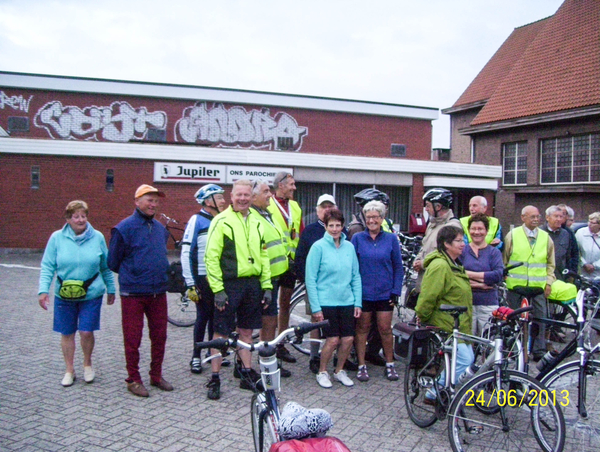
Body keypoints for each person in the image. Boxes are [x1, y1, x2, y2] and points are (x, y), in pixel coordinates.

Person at [204, 179, 272, 400]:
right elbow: (211, 257)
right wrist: (218, 289)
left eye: (246, 195)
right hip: (228, 285)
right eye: (238, 195)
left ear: (252, 198)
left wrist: (267, 285)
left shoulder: (257, 221)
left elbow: (263, 255)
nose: (243, 199)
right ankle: (214, 378)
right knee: (221, 332)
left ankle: (245, 373)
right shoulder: (221, 221)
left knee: (246, 331)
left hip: (252, 284)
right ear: (231, 196)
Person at [38, 200, 116, 387]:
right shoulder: (56, 238)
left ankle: (87, 364)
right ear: (68, 219)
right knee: (67, 332)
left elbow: (105, 266)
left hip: (92, 294)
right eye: (76, 216)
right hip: (64, 295)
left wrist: (111, 288)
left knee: (86, 331)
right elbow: (48, 266)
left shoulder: (97, 237)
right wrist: (43, 290)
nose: (80, 220)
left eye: (83, 216)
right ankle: (69, 369)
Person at [108, 184, 173, 397]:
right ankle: (133, 379)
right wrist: (134, 273)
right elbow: (113, 262)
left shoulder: (160, 229)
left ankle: (156, 375)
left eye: (156, 201)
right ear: (137, 202)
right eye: (149, 200)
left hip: (158, 292)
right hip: (133, 294)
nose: (153, 204)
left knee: (159, 336)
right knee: (133, 338)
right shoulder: (123, 228)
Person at [415, 225, 474, 400]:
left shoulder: (454, 263)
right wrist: (423, 317)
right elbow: (428, 295)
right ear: (446, 244)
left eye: (463, 240)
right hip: (445, 323)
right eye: (458, 240)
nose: (463, 244)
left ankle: (443, 389)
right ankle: (434, 392)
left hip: (459, 323)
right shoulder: (441, 265)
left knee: (466, 359)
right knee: (465, 360)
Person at [306, 209, 362, 388]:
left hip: (346, 301)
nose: (335, 229)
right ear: (326, 226)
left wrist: (357, 302)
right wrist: (316, 308)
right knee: (333, 339)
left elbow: (356, 276)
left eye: (338, 225)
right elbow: (311, 279)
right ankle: (322, 371)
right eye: (331, 225)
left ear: (343, 226)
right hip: (326, 301)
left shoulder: (349, 247)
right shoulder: (318, 247)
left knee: (348, 339)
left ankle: (339, 371)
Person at [351, 200, 404, 382]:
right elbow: (352, 267)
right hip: (363, 293)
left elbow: (398, 267)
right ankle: (361, 365)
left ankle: (390, 365)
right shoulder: (357, 238)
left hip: (384, 293)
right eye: (368, 217)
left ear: (382, 219)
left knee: (385, 329)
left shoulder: (391, 239)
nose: (372, 220)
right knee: (362, 329)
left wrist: (396, 291)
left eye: (375, 217)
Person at [295, 194, 348, 374]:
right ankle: (314, 356)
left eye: (330, 206)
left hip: (338, 287)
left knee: (337, 323)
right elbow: (300, 257)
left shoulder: (342, 231)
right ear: (317, 210)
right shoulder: (309, 231)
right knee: (316, 321)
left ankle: (335, 356)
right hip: (316, 286)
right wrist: (306, 281)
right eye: (323, 207)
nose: (326, 210)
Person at [180, 184, 227, 374]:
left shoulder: (223, 219)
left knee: (218, 318)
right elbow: (185, 251)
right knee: (203, 317)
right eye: (220, 197)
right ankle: (196, 356)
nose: (224, 200)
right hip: (202, 278)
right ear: (209, 201)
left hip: (219, 278)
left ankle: (213, 353)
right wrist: (190, 284)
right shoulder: (196, 220)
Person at [503, 205, 556, 361]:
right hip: (516, 286)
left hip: (537, 286)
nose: (535, 219)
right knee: (513, 318)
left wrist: (549, 282)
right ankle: (514, 347)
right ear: (523, 217)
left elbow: (550, 263)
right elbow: (505, 259)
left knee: (541, 318)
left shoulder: (546, 237)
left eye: (537, 216)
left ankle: (538, 349)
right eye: (532, 216)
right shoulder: (512, 235)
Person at [250, 180, 291, 377]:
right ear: (253, 196)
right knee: (257, 322)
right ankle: (257, 364)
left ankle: (267, 360)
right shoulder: (251, 216)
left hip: (273, 277)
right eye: (266, 191)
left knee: (270, 321)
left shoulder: (267, 213)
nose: (270, 195)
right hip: (261, 280)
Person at [267, 171, 303, 364]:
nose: (294, 188)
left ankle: (281, 344)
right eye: (291, 184)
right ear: (281, 185)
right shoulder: (268, 205)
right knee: (271, 307)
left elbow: (300, 234)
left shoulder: (295, 206)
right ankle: (269, 345)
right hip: (273, 264)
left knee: (286, 305)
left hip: (290, 263)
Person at [460, 213, 504, 336]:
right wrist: (481, 284)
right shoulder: (462, 251)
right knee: (467, 342)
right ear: (468, 231)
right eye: (473, 229)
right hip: (466, 304)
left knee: (487, 343)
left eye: (480, 229)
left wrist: (468, 274)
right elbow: (456, 276)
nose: (476, 232)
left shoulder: (494, 253)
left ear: (486, 231)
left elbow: (497, 275)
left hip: (488, 304)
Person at [413, 188, 461, 275]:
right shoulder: (432, 224)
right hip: (425, 277)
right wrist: (418, 260)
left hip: (438, 277)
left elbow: (448, 255)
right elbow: (424, 247)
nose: (426, 209)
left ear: (438, 207)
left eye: (428, 205)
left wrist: (423, 263)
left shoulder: (452, 226)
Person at [540, 205, 578, 280]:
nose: (559, 219)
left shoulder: (565, 234)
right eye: (556, 216)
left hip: (560, 276)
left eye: (561, 217)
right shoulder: (539, 232)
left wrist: (570, 275)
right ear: (547, 217)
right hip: (542, 276)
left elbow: (569, 256)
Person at [575, 212, 600, 279]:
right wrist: (584, 264)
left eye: (593, 223)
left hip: (598, 274)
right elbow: (576, 251)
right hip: (583, 272)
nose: (589, 224)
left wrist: (595, 266)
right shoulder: (580, 233)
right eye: (589, 222)